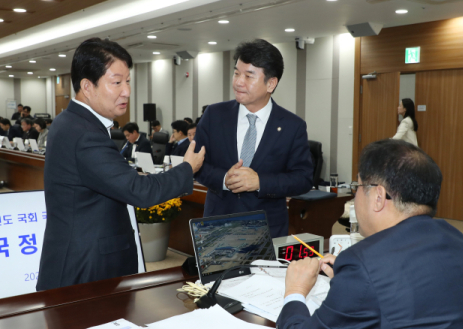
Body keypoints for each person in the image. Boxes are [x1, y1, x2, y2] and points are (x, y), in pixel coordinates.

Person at [277, 139, 463, 329]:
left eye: (358, 188)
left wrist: (295, 291)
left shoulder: (366, 265)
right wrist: (351, 285)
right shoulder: (462, 241)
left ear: (378, 197)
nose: (355, 198)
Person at [37, 37, 205, 291]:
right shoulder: (84, 133)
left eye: (127, 81)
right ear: (87, 86)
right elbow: (139, 190)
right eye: (116, 82)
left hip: (81, 260)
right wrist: (187, 168)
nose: (126, 90)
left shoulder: (70, 121)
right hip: (86, 269)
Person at [194, 39, 312, 238]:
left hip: (267, 228)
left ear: (271, 83)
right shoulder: (214, 115)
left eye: (249, 76)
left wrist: (260, 182)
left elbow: (303, 178)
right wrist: (224, 179)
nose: (239, 82)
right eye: (236, 73)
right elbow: (197, 164)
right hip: (217, 226)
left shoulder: (293, 126)